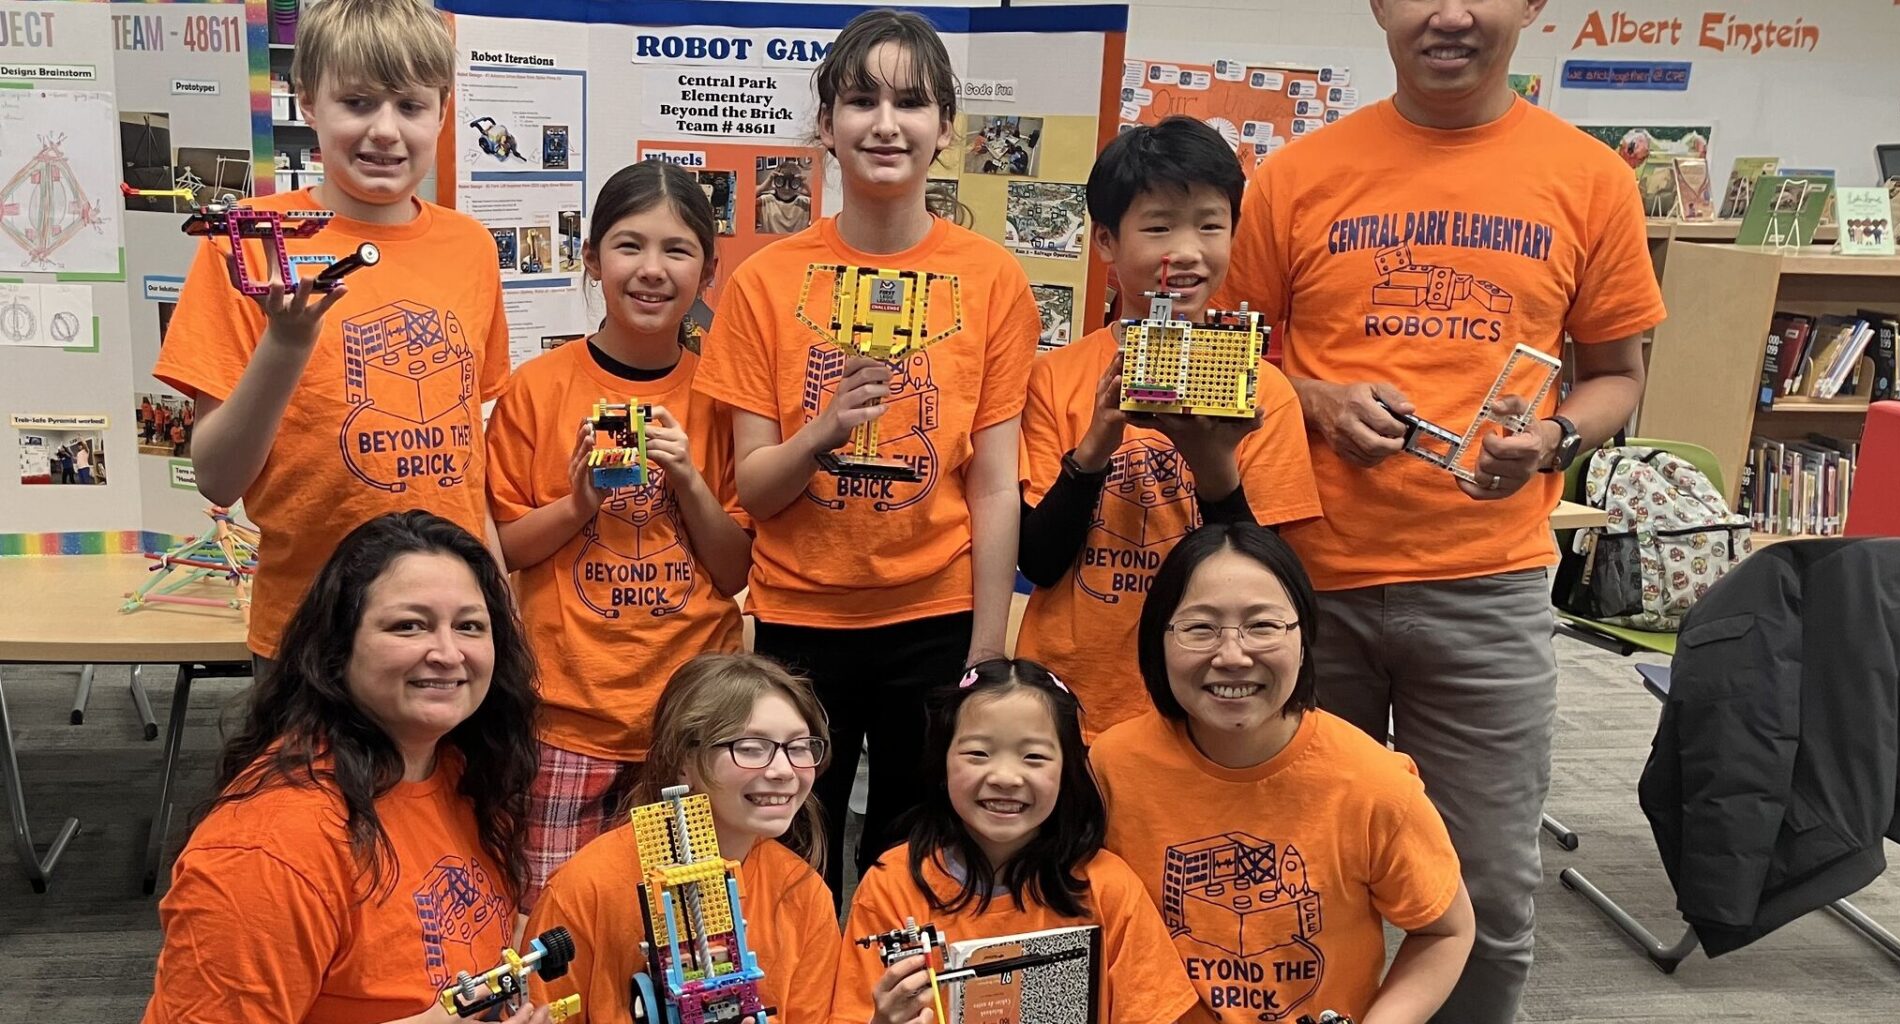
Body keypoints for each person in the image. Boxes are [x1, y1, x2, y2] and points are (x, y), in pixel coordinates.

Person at [1212, 3, 1665, 1019]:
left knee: (1484, 895)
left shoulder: (1591, 177)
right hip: (1303, 591)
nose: (1452, 12)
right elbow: (1230, 359)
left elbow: (1616, 376)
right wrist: (1319, 400)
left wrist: (1551, 440)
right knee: (1290, 882)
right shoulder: (1295, 175)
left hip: (1489, 592)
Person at [694, 9, 1039, 894]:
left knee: (914, 853)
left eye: (912, 103)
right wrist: (822, 433)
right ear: (827, 126)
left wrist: (989, 646)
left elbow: (996, 485)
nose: (886, 123)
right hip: (801, 622)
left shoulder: (993, 279)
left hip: (934, 617)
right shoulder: (765, 283)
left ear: (946, 131)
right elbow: (758, 493)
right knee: (784, 853)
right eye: (862, 100)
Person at [152, 0, 509, 675]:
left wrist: (495, 594)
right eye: (357, 101)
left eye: (410, 105)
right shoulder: (251, 243)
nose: (385, 130)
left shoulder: (469, 247)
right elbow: (217, 477)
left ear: (444, 109)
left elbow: (467, 461)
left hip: (448, 628)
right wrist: (285, 345)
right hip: (312, 633)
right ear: (307, 101)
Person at [142, 510, 545, 1023]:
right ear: (338, 649)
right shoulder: (267, 850)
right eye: (409, 626)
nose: (448, 652)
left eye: (469, 626)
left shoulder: (462, 770)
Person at [485, 160, 752, 909]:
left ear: (707, 270)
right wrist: (577, 504)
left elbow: (735, 571)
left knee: (685, 934)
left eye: (677, 250)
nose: (652, 270)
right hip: (565, 717)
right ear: (592, 258)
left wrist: (691, 481)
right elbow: (502, 549)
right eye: (629, 246)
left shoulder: (721, 398)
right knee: (553, 925)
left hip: (691, 728)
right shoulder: (538, 389)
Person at [1092, 524, 1473, 1024]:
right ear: (1157, 640)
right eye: (1199, 628)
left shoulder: (1373, 783)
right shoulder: (1112, 766)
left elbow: (1446, 930)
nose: (1232, 656)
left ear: (1303, 637)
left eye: (1263, 626)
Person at [1016, 115, 1319, 737]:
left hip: (1208, 698)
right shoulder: (1056, 379)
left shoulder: (1264, 393)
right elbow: (1040, 561)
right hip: (1073, 698)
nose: (1186, 251)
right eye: (1157, 227)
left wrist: (1215, 468)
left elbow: (1267, 582)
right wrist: (1098, 440)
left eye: (1211, 225)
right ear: (1105, 240)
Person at [832, 659, 1197, 1024]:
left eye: (1034, 757)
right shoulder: (892, 885)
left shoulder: (1109, 888)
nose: (1006, 777)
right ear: (942, 764)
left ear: (1067, 772)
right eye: (978, 753)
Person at [526, 653, 839, 1024]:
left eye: (800, 746)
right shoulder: (586, 888)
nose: (785, 770)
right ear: (682, 761)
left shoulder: (802, 891)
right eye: (751, 747)